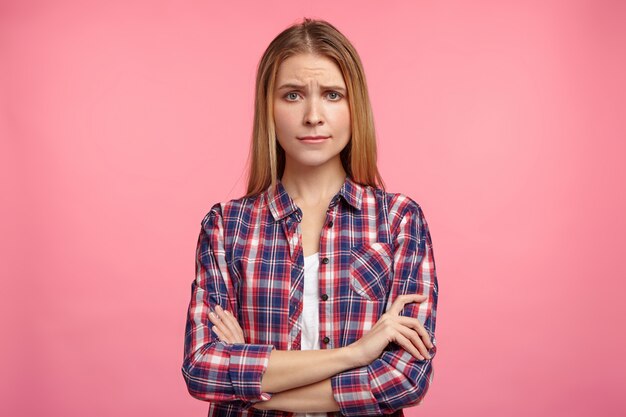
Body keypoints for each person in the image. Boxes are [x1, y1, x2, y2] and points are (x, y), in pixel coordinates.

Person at [182, 18, 439, 417]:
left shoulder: (398, 220)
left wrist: (247, 385)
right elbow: (202, 368)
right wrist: (356, 354)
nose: (313, 115)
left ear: (356, 107)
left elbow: (403, 378)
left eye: (333, 95)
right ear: (268, 106)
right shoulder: (226, 226)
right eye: (293, 95)